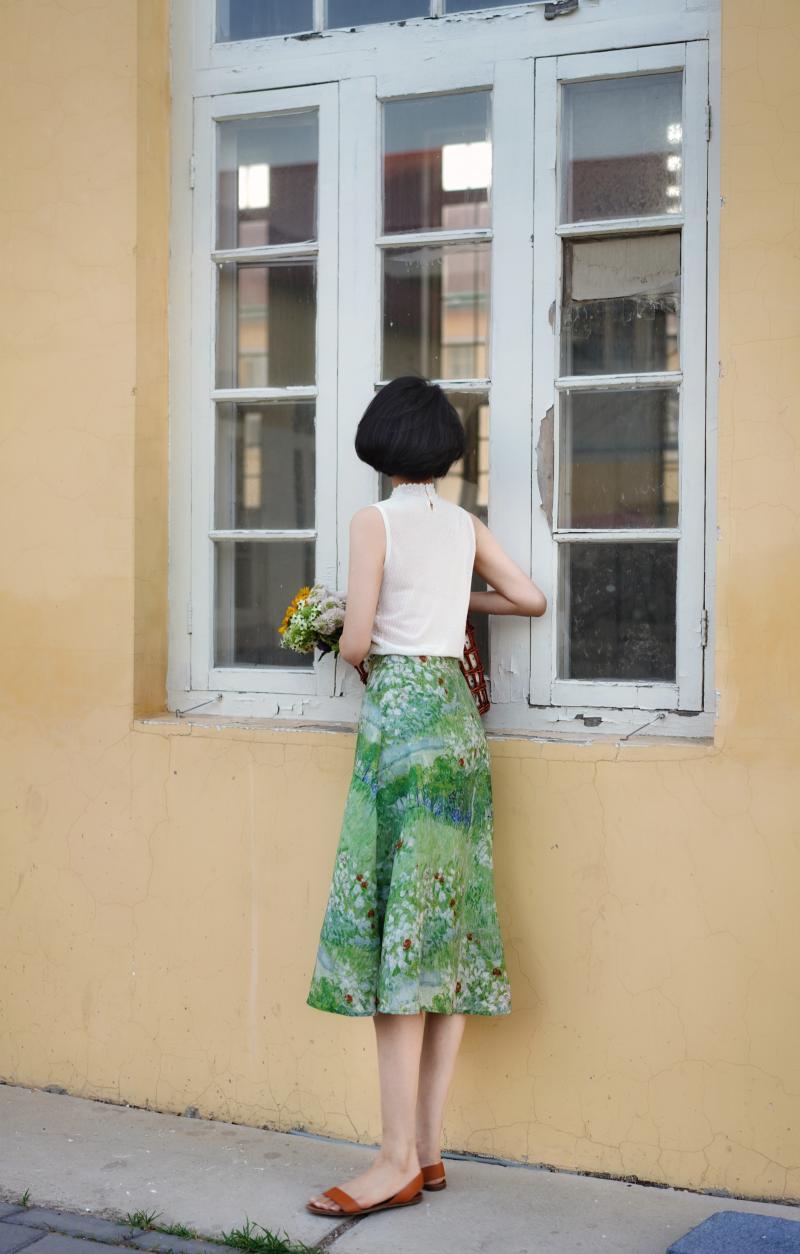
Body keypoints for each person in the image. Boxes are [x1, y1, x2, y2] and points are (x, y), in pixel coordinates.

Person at [305, 376, 546, 1220]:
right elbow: (530, 599)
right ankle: (431, 1152)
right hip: (458, 728)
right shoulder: (465, 525)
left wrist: (333, 627)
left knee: (400, 936)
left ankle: (392, 1158)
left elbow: (362, 640)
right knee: (443, 923)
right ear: (443, 451)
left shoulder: (375, 522)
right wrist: (454, 600)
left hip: (402, 728)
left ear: (382, 444)